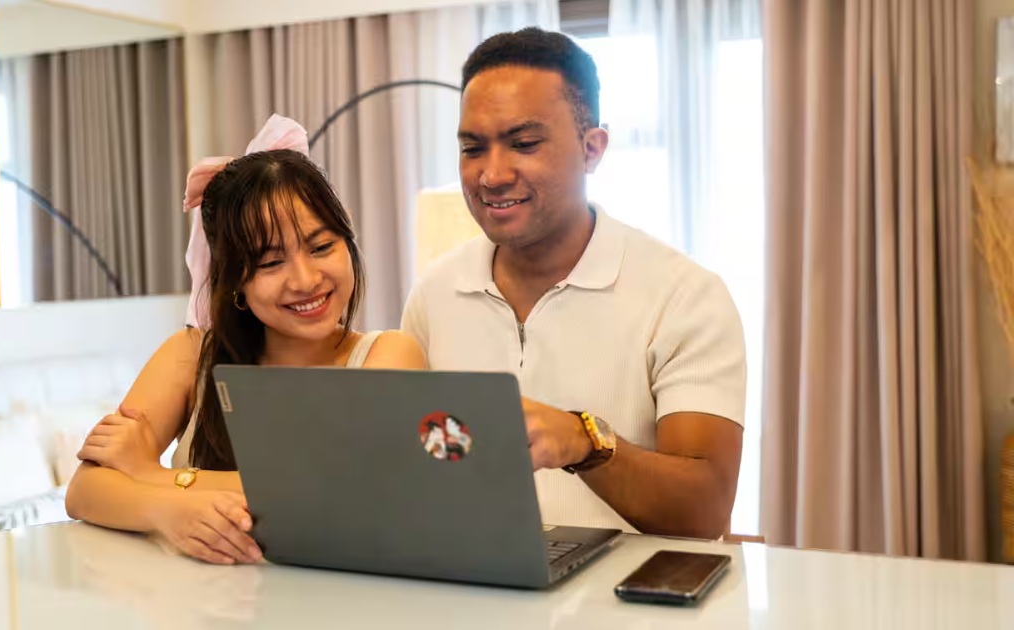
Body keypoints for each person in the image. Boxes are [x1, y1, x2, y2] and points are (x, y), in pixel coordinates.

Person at [401, 28, 746, 539]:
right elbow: (416, 468)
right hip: (472, 581)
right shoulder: (434, 295)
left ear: (592, 149)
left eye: (523, 144)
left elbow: (703, 512)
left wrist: (587, 442)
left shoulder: (686, 296)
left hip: (632, 590)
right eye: (473, 148)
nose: (491, 175)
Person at [66, 148, 426, 565]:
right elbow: (84, 491)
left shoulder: (388, 355)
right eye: (271, 262)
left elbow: (339, 497)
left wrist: (152, 475)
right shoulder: (190, 355)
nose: (305, 280)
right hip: (201, 596)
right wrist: (166, 512)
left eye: (321, 246)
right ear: (235, 277)